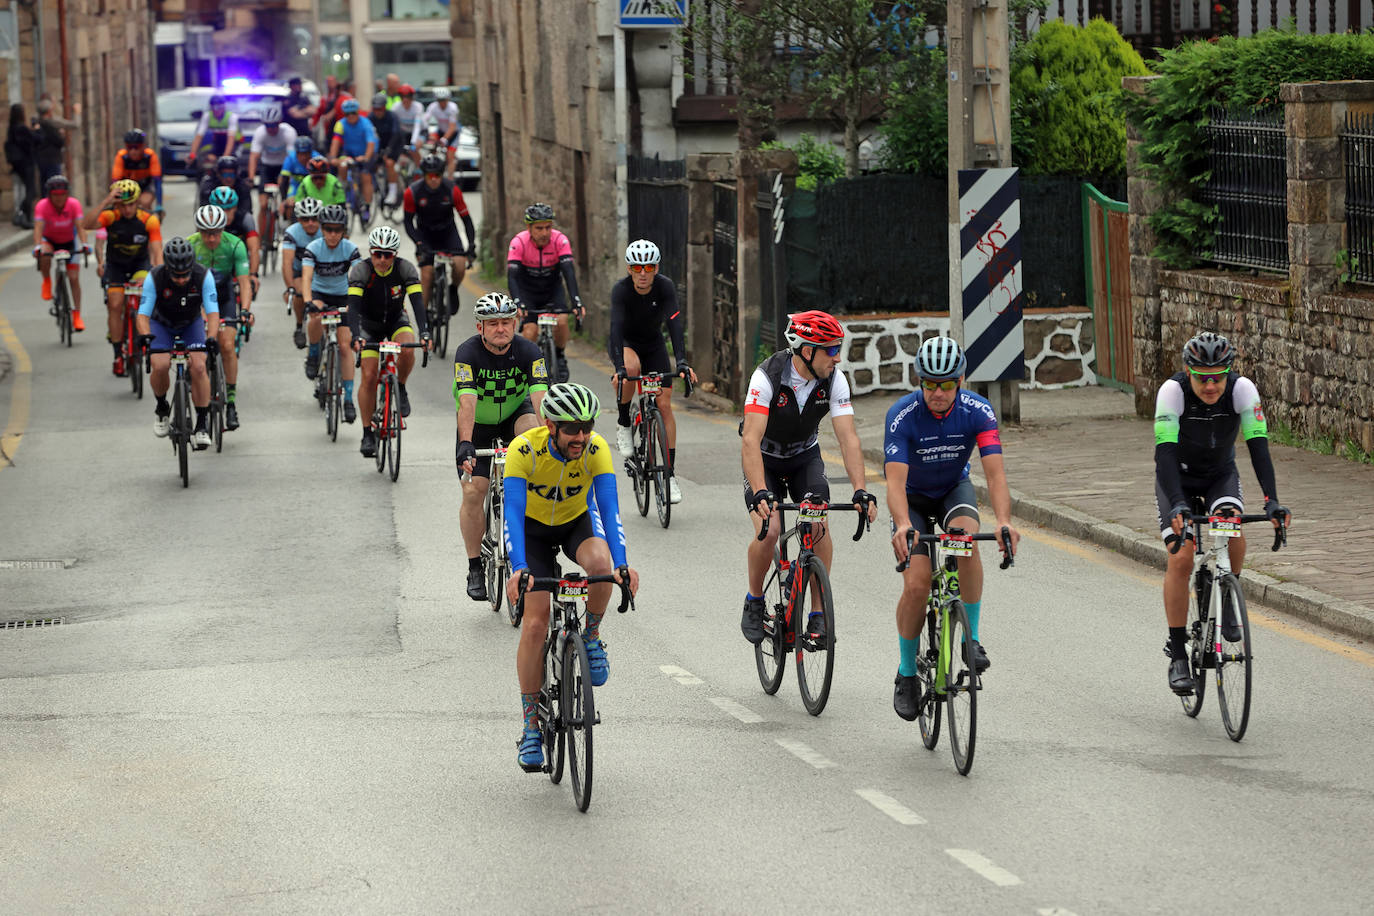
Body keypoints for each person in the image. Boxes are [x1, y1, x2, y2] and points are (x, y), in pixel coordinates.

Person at [502, 383, 639, 771]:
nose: (581, 436)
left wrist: (622, 565)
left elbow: (610, 510)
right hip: (531, 532)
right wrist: (518, 569)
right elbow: (511, 514)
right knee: (534, 623)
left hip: (574, 522)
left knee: (601, 566)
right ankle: (531, 725)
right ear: (550, 425)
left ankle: (591, 635)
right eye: (571, 428)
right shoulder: (523, 450)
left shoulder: (595, 449)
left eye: (587, 426)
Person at [884, 336, 1020, 719]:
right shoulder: (902, 415)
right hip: (911, 499)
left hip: (951, 490)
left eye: (946, 384)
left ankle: (971, 640)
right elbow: (894, 483)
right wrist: (900, 525)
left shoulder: (979, 411)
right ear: (919, 380)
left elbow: (995, 475)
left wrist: (1005, 522)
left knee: (964, 542)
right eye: (930, 384)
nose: (938, 393)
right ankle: (907, 674)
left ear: (961, 379)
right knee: (917, 584)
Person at [1154, 331, 1289, 695]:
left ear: (1229, 373)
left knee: (1233, 531)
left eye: (1219, 377)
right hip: (1177, 479)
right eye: (1202, 377)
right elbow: (1164, 454)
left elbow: (1259, 447)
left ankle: (1228, 593)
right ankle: (1178, 653)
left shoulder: (1243, 390)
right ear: (1189, 371)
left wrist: (1271, 500)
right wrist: (1178, 503)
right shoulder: (1172, 392)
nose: (1211, 385)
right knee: (1181, 557)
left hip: (1219, 476)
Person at [740, 310, 877, 645]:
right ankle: (754, 600)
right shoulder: (767, 377)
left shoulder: (835, 380)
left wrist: (861, 490)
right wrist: (759, 492)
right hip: (766, 459)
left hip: (804, 457)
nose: (837, 357)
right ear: (806, 350)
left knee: (817, 524)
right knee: (770, 529)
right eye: (830, 350)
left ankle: (817, 614)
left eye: (838, 348)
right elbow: (750, 441)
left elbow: (848, 439)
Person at [454, 293, 550, 601]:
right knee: (473, 491)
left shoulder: (530, 351)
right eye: (492, 323)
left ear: (515, 323)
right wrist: (466, 443)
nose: (500, 329)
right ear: (480, 327)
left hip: (513, 414)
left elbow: (540, 400)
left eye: (506, 322)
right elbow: (467, 401)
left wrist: (550, 439)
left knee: (533, 432)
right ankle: (474, 567)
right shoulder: (467, 353)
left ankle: (531, 539)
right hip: (477, 425)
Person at [608, 239, 696, 504]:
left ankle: (669, 475)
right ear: (629, 269)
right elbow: (615, 328)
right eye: (637, 267)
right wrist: (620, 369)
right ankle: (624, 422)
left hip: (654, 345)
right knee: (632, 369)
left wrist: (681, 361)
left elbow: (674, 324)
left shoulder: (665, 287)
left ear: (656, 267)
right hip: (627, 344)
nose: (643, 273)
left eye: (648, 266)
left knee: (664, 404)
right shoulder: (621, 291)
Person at [347, 225, 429, 458]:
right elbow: (352, 309)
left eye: (388, 254)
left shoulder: (405, 269)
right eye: (377, 254)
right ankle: (366, 433)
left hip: (395, 320)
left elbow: (417, 304)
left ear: (395, 254)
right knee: (370, 375)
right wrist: (355, 337)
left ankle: (400, 386)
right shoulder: (360, 272)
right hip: (368, 326)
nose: (382, 260)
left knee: (408, 348)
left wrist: (425, 333)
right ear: (371, 253)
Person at [136, 237, 219, 450]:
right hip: (161, 324)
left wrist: (211, 338)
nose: (181, 280)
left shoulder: (203, 276)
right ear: (168, 268)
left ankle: (201, 423)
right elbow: (143, 315)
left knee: (199, 366)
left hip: (190, 323)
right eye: (176, 275)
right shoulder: (154, 277)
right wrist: (145, 336)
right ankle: (162, 407)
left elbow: (212, 312)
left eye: (185, 275)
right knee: (161, 364)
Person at [82, 179, 163, 377]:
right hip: (116, 266)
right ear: (117, 204)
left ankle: (143, 334)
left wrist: (157, 274)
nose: (127, 209)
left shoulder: (148, 219)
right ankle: (118, 354)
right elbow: (87, 224)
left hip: (139, 265)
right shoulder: (111, 216)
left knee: (145, 296)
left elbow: (157, 251)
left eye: (131, 204)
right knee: (115, 303)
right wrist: (107, 200)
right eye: (123, 205)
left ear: (137, 203)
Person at [188, 205, 251, 431]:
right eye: (206, 233)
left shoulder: (234, 245)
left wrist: (245, 310)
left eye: (216, 232)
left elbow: (244, 282)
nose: (211, 238)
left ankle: (231, 403)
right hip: (197, 298)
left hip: (224, 298)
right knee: (197, 349)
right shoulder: (191, 245)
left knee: (227, 345)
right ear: (199, 230)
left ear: (223, 229)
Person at [508, 202, 583, 383]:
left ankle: (559, 355)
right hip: (528, 292)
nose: (544, 233)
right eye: (539, 228)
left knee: (562, 321)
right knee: (530, 332)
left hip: (552, 289)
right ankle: (528, 367)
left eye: (548, 227)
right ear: (529, 227)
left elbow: (569, 272)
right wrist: (518, 303)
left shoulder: (560, 240)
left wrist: (576, 302)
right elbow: (512, 277)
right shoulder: (519, 242)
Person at [300, 204, 361, 417]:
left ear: (344, 230)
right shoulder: (314, 248)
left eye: (337, 230)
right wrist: (308, 300)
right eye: (328, 229)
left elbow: (357, 277)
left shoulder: (351, 249)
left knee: (345, 347)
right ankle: (314, 353)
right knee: (315, 316)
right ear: (322, 229)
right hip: (320, 294)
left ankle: (348, 399)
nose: (333, 235)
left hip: (343, 295)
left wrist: (356, 304)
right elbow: (307, 277)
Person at [402, 152, 476, 317]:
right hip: (425, 235)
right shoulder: (412, 192)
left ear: (442, 175)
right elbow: (407, 222)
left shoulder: (452, 190)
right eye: (430, 175)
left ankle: (452, 289)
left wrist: (471, 246)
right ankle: (424, 321)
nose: (434, 179)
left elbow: (466, 220)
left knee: (459, 264)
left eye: (438, 175)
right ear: (424, 175)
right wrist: (418, 244)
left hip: (448, 232)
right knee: (427, 275)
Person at [31, 176, 90, 326]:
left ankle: (77, 315)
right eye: (55, 195)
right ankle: (47, 281)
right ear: (49, 195)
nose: (59, 198)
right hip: (50, 241)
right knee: (44, 253)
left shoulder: (74, 204)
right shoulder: (42, 206)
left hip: (70, 242)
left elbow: (80, 227)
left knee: (73, 278)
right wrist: (37, 246)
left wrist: (84, 244)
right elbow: (38, 228)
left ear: (67, 194)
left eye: (62, 194)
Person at [245, 107, 298, 240]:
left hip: (284, 167)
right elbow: (254, 157)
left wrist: (288, 177)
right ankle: (263, 240)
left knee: (289, 202)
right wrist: (251, 178)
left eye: (273, 125)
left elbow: (292, 158)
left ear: (279, 123)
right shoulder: (260, 133)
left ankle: (289, 227)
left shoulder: (289, 132)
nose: (271, 129)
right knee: (263, 204)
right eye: (267, 125)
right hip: (267, 167)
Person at [281, 195, 324, 349]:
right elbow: (287, 263)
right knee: (300, 294)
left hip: (321, 272)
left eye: (314, 219)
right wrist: (290, 287)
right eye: (306, 219)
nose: (311, 223)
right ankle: (300, 325)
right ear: (299, 220)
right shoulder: (292, 233)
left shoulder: (326, 231)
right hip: (300, 271)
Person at [328, 99, 378, 223]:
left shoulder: (365, 123)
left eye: (353, 113)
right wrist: (333, 158)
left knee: (365, 176)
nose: (351, 116)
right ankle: (344, 188)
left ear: (357, 112)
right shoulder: (340, 124)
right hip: (349, 152)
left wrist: (366, 157)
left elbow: (370, 143)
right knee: (342, 165)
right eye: (347, 114)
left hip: (365, 152)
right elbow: (336, 142)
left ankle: (366, 206)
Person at [207, 186, 261, 300]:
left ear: (235, 207)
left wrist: (253, 275)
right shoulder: (207, 220)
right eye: (221, 210)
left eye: (229, 209)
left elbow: (254, 249)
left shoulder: (246, 219)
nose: (226, 214)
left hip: (239, 260)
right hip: (217, 260)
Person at [110, 128, 163, 213]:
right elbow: (115, 182)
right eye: (129, 147)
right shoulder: (121, 157)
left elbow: (157, 181)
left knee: (144, 203)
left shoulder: (150, 156)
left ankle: (147, 223)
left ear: (143, 146)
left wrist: (159, 204)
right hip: (127, 186)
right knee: (123, 205)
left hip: (145, 185)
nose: (133, 151)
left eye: (136, 147)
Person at [367, 93, 404, 207]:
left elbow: (396, 133)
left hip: (395, 142)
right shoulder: (370, 117)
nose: (378, 112)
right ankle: (380, 186)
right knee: (373, 164)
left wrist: (389, 149)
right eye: (375, 109)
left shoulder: (392, 116)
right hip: (380, 143)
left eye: (380, 109)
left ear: (385, 108)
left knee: (389, 163)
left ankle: (393, 192)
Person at [7, 104, 39, 228]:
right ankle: (22, 214)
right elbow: (34, 140)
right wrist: (36, 130)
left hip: (18, 164)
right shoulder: (21, 128)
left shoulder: (11, 128)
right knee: (31, 191)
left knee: (26, 190)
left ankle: (23, 215)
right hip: (26, 163)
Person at [189, 94, 240, 167]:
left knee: (230, 163)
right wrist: (192, 154)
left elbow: (231, 140)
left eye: (219, 107)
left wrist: (225, 157)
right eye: (214, 107)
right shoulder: (207, 116)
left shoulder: (231, 117)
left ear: (224, 107)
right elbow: (198, 137)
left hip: (235, 143)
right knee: (209, 159)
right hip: (218, 142)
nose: (217, 110)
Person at [280, 137, 323, 221]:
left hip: (313, 187)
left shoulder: (318, 159)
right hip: (296, 186)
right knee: (290, 204)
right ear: (296, 152)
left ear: (311, 152)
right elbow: (284, 180)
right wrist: (284, 200)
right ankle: (290, 225)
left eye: (306, 154)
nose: (303, 157)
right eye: (300, 154)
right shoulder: (290, 159)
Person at [421, 87, 460, 179]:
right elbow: (425, 119)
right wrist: (428, 133)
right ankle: (433, 169)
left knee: (450, 156)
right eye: (439, 100)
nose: (442, 103)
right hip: (441, 130)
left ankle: (450, 179)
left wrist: (445, 139)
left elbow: (452, 127)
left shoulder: (452, 108)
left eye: (444, 100)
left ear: (448, 99)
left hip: (453, 133)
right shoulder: (433, 107)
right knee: (432, 143)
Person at [32, 99, 70, 184]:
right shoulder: (50, 124)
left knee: (44, 184)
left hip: (41, 159)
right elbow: (59, 142)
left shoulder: (36, 123)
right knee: (54, 184)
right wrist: (61, 135)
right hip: (52, 159)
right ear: (49, 111)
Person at [389, 85, 426, 162]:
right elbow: (392, 124)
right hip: (405, 133)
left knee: (414, 149)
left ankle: (420, 169)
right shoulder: (396, 107)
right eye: (402, 97)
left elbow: (417, 127)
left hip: (420, 132)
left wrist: (413, 142)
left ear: (412, 97)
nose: (405, 99)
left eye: (408, 96)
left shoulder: (418, 107)